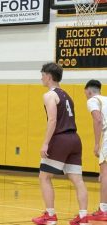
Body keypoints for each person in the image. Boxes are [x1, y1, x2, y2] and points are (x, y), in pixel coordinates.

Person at [32, 63, 88, 225]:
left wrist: (45, 144)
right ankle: (83, 217)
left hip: (61, 139)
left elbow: (53, 120)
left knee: (44, 177)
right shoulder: (67, 95)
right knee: (78, 180)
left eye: (42, 74)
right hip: (75, 139)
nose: (41, 78)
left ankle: (50, 215)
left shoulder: (49, 95)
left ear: (49, 76)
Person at [84, 79, 107, 221]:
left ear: (88, 91)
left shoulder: (93, 100)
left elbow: (97, 120)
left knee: (105, 173)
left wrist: (97, 144)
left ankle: (103, 209)